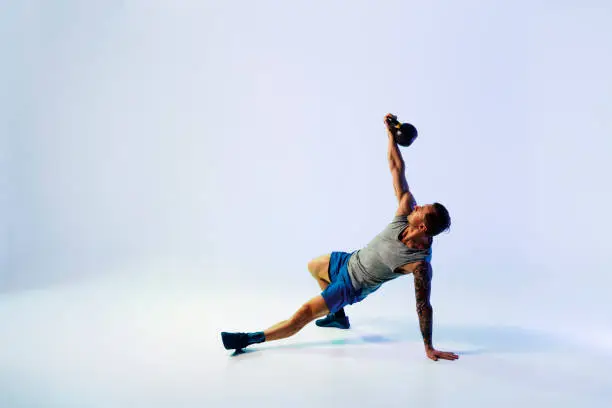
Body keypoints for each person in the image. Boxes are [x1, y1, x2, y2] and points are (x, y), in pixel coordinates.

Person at [220, 114, 459, 361]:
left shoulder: (419, 263)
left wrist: (428, 347)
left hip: (351, 286)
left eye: (422, 211)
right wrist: (391, 134)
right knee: (313, 267)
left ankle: (248, 339)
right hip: (349, 260)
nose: (417, 207)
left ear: (423, 228)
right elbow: (396, 168)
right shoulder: (406, 211)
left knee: (303, 314)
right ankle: (337, 317)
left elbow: (423, 306)